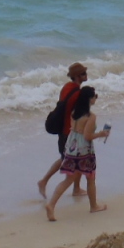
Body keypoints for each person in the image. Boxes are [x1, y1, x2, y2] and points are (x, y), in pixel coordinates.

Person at [45, 85, 109, 220]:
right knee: (90, 178)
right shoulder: (90, 116)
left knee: (68, 180)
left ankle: (51, 204)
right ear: (89, 99)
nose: (95, 98)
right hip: (84, 150)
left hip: (71, 147)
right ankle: (94, 206)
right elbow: (87, 136)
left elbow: (75, 130)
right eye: (94, 96)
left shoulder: (74, 113)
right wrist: (101, 134)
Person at [37, 62, 88, 198]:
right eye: (83, 73)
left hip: (63, 131)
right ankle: (45, 183)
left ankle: (75, 188)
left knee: (67, 159)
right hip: (70, 132)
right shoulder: (78, 94)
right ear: (77, 76)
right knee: (74, 160)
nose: (86, 75)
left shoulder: (66, 87)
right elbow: (77, 115)